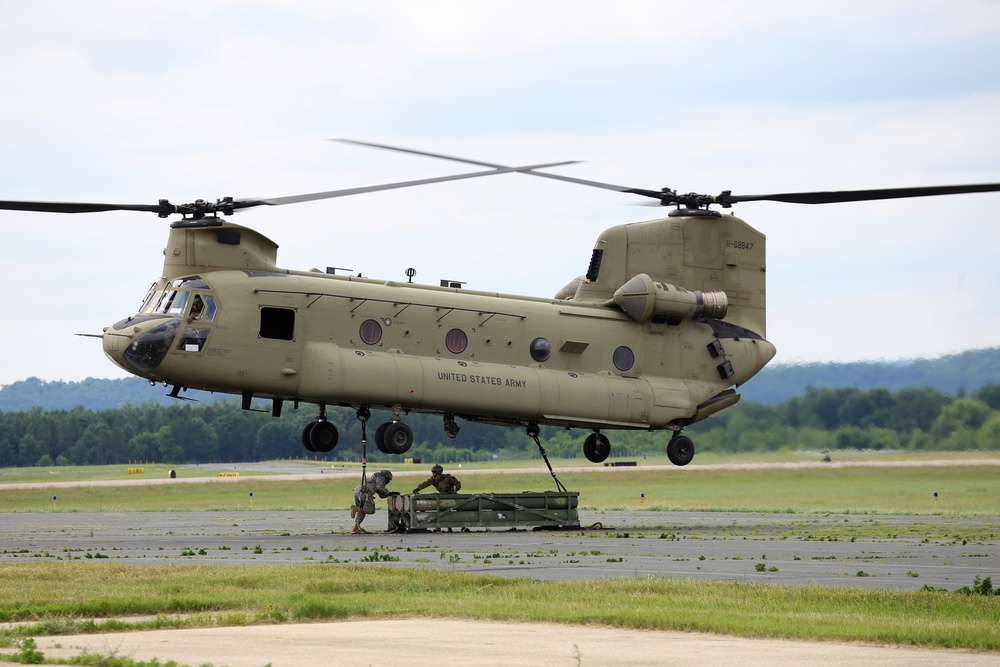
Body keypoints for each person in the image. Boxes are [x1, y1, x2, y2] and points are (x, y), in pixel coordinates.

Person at [350, 469, 393, 534]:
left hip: (359, 491)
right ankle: (356, 508)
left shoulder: (375, 480)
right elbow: (380, 487)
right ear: (385, 476)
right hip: (365, 492)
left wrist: (389, 494)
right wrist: (389, 493)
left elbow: (381, 494)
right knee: (370, 510)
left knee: (362, 511)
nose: (388, 482)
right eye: (388, 479)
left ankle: (356, 527)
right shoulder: (379, 476)